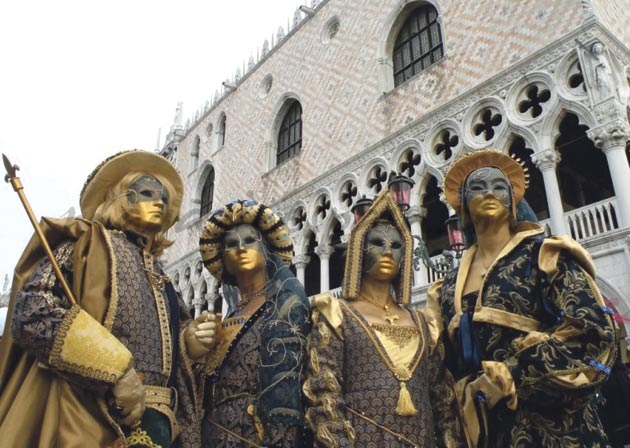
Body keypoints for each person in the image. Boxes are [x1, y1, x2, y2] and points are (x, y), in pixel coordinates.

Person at [0, 150, 215, 447]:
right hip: (88, 416)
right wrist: (115, 372)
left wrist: (189, 341)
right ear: (117, 198)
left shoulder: (161, 276)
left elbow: (169, 346)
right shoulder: (84, 247)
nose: (159, 203)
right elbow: (34, 312)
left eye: (164, 198)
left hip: (162, 427)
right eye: (146, 193)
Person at [426, 149, 617, 447]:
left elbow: (594, 334)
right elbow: (442, 369)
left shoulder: (545, 257)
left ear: (513, 200)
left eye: (499, 186)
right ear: (463, 204)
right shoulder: (446, 287)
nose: (489, 192)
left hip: (557, 429)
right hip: (486, 433)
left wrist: (511, 373)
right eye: (477, 187)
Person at [303, 190, 464, 447]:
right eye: (378, 243)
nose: (388, 251)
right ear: (359, 249)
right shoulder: (335, 315)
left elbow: (442, 400)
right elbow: (325, 395)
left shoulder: (423, 323)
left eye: (397, 245)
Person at [198, 199, 312, 447]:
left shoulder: (284, 308)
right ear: (223, 259)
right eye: (231, 244)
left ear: (266, 250)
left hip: (257, 436)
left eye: (250, 240)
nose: (240, 248)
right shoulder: (229, 316)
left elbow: (287, 389)